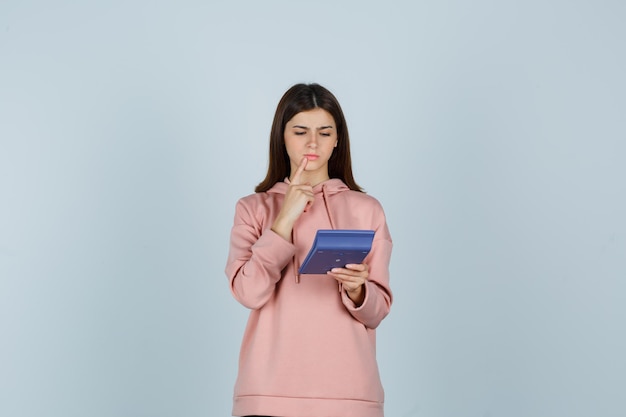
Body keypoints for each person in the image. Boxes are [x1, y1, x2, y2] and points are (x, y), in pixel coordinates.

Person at [225, 83, 393, 417]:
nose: (313, 143)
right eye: (300, 131)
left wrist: (359, 290)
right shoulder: (252, 209)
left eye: (324, 132)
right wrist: (284, 217)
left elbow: (377, 311)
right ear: (282, 137)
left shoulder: (367, 210)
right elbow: (248, 292)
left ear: (337, 140)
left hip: (350, 394)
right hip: (267, 392)